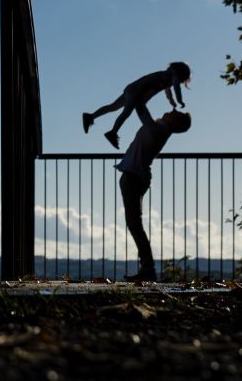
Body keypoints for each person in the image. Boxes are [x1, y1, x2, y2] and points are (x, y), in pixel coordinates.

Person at [116, 105, 192, 282]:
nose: (172, 109)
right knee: (135, 224)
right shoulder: (160, 130)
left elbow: (140, 107)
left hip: (134, 177)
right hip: (136, 176)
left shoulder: (157, 130)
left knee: (135, 224)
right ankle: (147, 269)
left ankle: (148, 269)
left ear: (174, 121)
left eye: (176, 113)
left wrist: (142, 89)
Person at [82, 61, 191, 149]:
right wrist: (180, 100)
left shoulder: (166, 76)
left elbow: (168, 92)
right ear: (180, 74)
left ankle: (91, 116)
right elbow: (176, 87)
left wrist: (172, 101)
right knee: (126, 112)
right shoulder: (173, 77)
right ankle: (113, 132)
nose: (180, 82)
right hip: (137, 92)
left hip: (132, 88)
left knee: (113, 107)